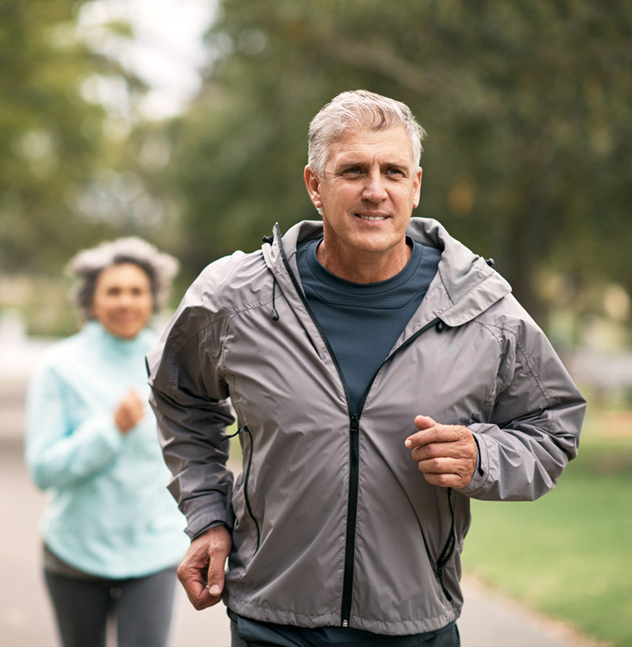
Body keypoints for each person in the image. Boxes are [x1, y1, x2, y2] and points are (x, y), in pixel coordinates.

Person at [147, 90, 586, 646]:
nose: (375, 190)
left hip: (415, 625)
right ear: (314, 185)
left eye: (393, 171)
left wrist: (484, 456)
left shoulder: (482, 309)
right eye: (353, 170)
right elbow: (180, 398)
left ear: (416, 185)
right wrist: (208, 514)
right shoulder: (237, 299)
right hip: (272, 623)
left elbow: (554, 425)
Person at [25, 237, 189, 647]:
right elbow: (43, 469)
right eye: (113, 291)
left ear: (153, 299)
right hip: (75, 551)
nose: (125, 302)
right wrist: (110, 429)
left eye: (137, 291)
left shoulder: (174, 360)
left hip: (154, 549)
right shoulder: (60, 366)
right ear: (90, 300)